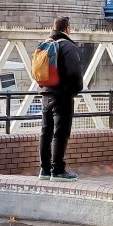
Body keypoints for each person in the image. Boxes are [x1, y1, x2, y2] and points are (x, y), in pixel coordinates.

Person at [38, 16, 84, 181]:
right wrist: (75, 90)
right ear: (68, 29)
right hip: (63, 95)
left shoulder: (46, 44)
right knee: (60, 133)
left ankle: (44, 169)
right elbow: (75, 74)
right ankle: (57, 170)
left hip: (46, 94)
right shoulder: (68, 46)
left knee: (46, 132)